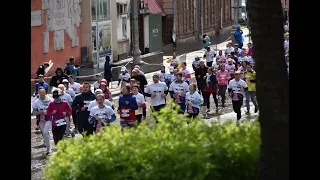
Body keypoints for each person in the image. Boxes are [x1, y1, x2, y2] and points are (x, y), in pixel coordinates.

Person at [32, 88, 52, 155]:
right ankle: (48, 146)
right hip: (41, 119)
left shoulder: (50, 100)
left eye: (43, 92)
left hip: (48, 118)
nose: (42, 94)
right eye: (40, 93)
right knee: (44, 133)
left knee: (46, 131)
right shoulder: (36, 101)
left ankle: (49, 148)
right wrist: (39, 112)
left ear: (45, 92)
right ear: (38, 93)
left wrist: (49, 112)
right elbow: (34, 112)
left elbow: (53, 109)